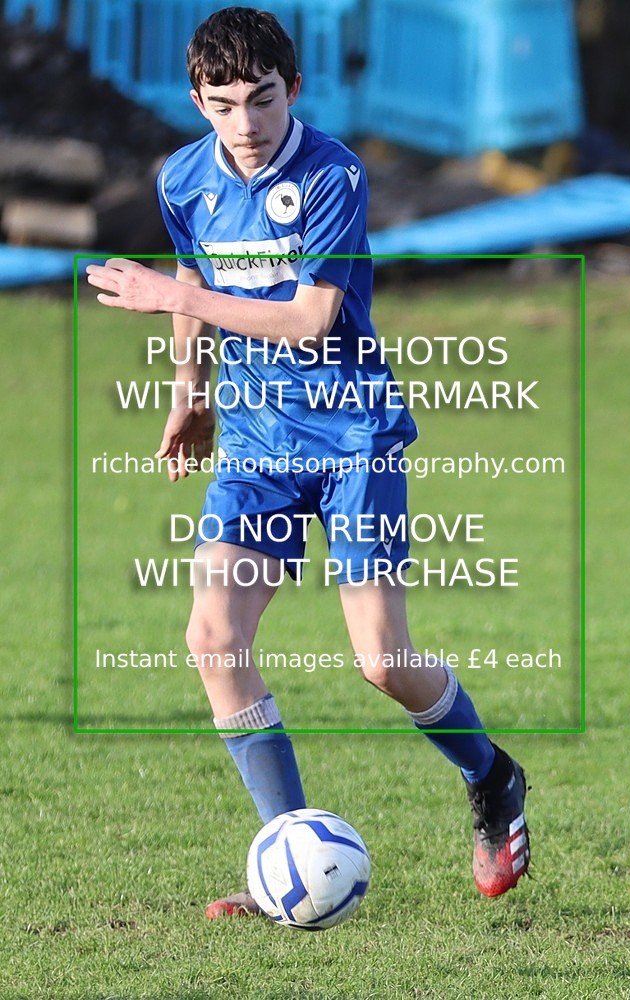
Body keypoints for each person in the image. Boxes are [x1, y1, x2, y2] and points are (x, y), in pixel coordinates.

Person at [86, 6, 530, 914]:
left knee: (380, 662)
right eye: (221, 104)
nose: (244, 126)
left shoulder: (332, 172)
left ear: (295, 89)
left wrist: (169, 293)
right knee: (213, 640)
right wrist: (190, 394)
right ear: (196, 100)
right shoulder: (182, 178)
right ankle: (284, 854)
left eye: (261, 99)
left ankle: (492, 776)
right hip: (254, 443)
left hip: (352, 436)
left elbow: (308, 317)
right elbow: (199, 286)